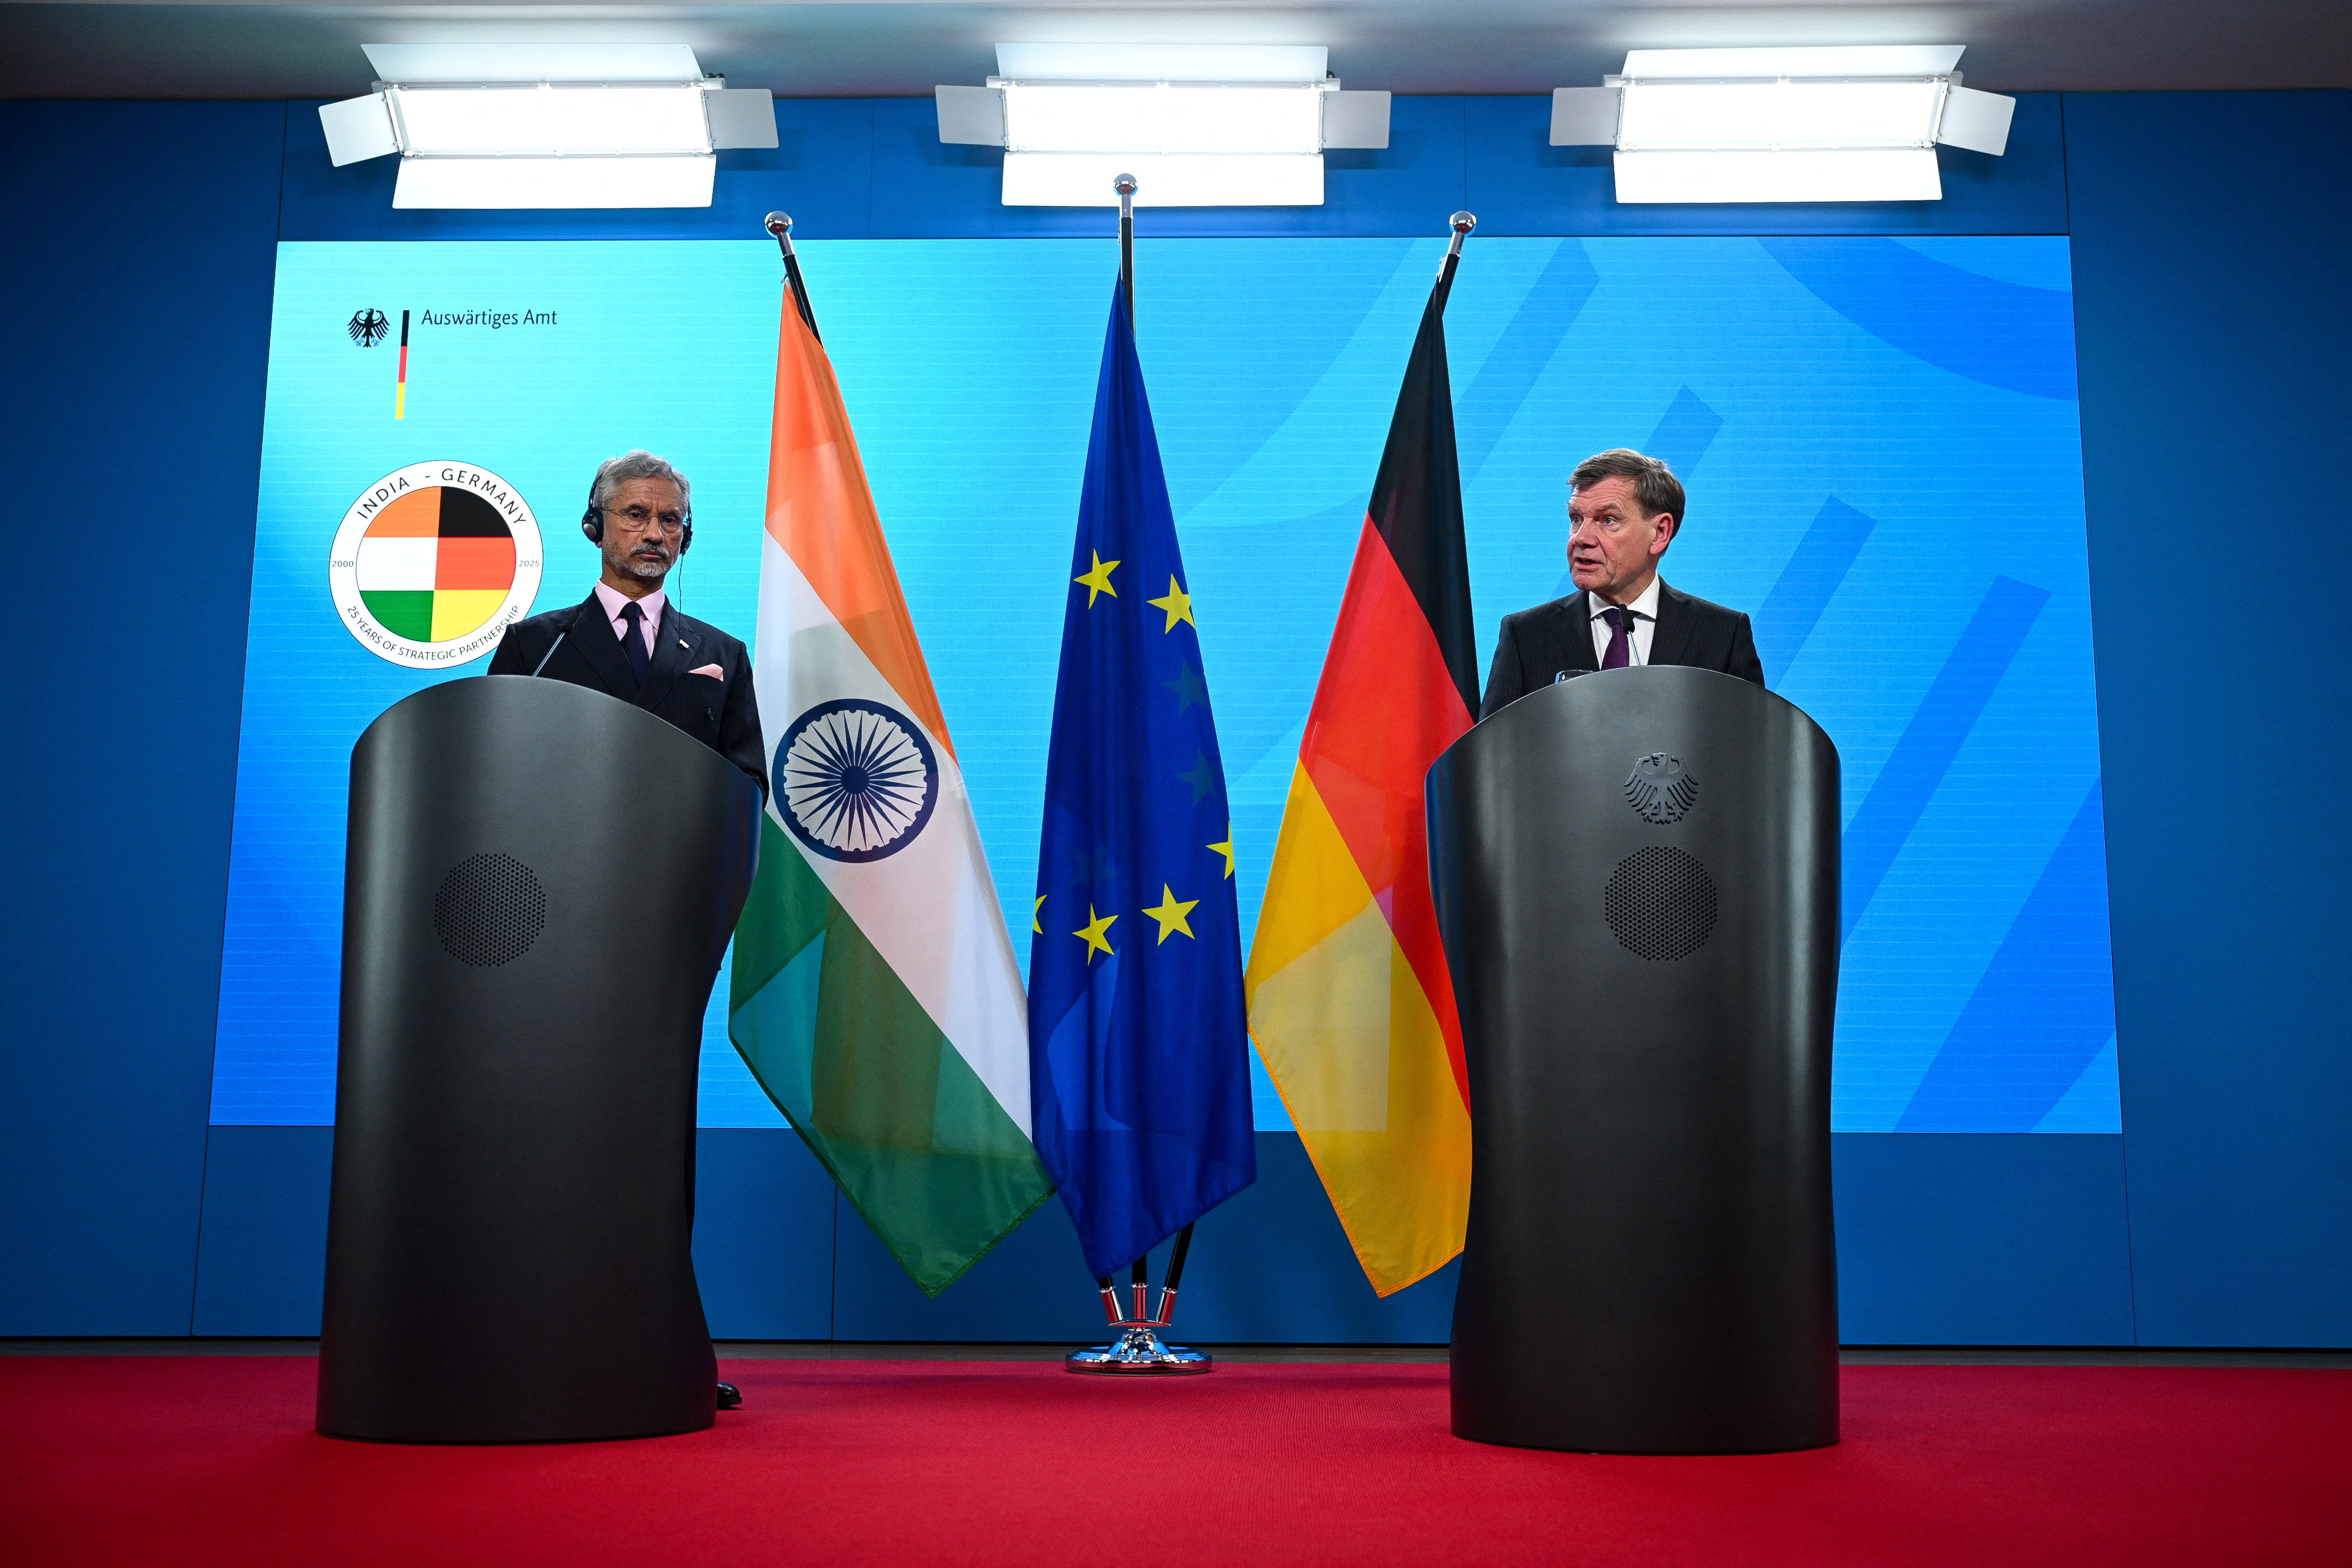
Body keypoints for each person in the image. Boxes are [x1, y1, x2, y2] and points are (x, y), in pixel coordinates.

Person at [490, 451, 767, 798]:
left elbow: (749, 783)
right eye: (636, 515)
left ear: (685, 537)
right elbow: (494, 763)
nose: (655, 534)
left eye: (670, 520)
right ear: (596, 528)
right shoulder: (534, 645)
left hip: (680, 833)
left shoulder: (725, 653)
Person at [1480, 448, 1765, 719]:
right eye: (1576, 519)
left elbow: (1751, 746)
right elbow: (1491, 748)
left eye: (1607, 520)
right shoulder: (1526, 635)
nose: (1581, 538)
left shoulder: (1722, 635)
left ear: (1660, 532)